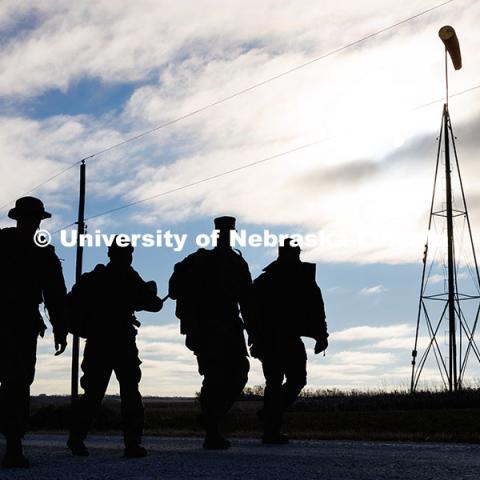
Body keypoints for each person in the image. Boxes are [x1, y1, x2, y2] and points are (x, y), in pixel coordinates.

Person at [67, 238, 163, 458]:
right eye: (128, 253)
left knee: (94, 393)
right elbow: (151, 303)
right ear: (125, 255)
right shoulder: (128, 276)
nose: (129, 257)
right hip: (120, 342)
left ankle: (77, 438)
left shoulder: (95, 278)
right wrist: (152, 298)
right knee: (128, 392)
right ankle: (131, 443)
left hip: (100, 343)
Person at [169, 216, 254, 449]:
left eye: (228, 233)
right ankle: (212, 431)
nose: (225, 236)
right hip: (207, 329)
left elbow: (247, 301)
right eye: (223, 233)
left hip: (230, 328)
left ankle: (211, 420)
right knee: (215, 377)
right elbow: (175, 289)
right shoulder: (199, 261)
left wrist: (253, 333)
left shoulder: (237, 263)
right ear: (216, 234)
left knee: (239, 373)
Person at [0, 196, 67, 468]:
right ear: (19, 219)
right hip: (14, 323)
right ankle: (13, 446)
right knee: (16, 384)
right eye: (29, 218)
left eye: (35, 218)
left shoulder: (44, 253)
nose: (33, 222)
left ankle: (14, 445)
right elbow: (55, 295)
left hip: (23, 324)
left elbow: (55, 295)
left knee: (17, 383)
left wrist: (60, 328)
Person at [251, 239, 328, 444]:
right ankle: (271, 430)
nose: (296, 256)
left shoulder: (303, 279)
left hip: (288, 339)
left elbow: (316, 309)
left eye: (297, 252)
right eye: (293, 252)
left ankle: (270, 415)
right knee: (275, 383)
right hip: (271, 340)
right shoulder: (265, 281)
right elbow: (250, 311)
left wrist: (322, 336)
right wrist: (254, 337)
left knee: (296, 380)